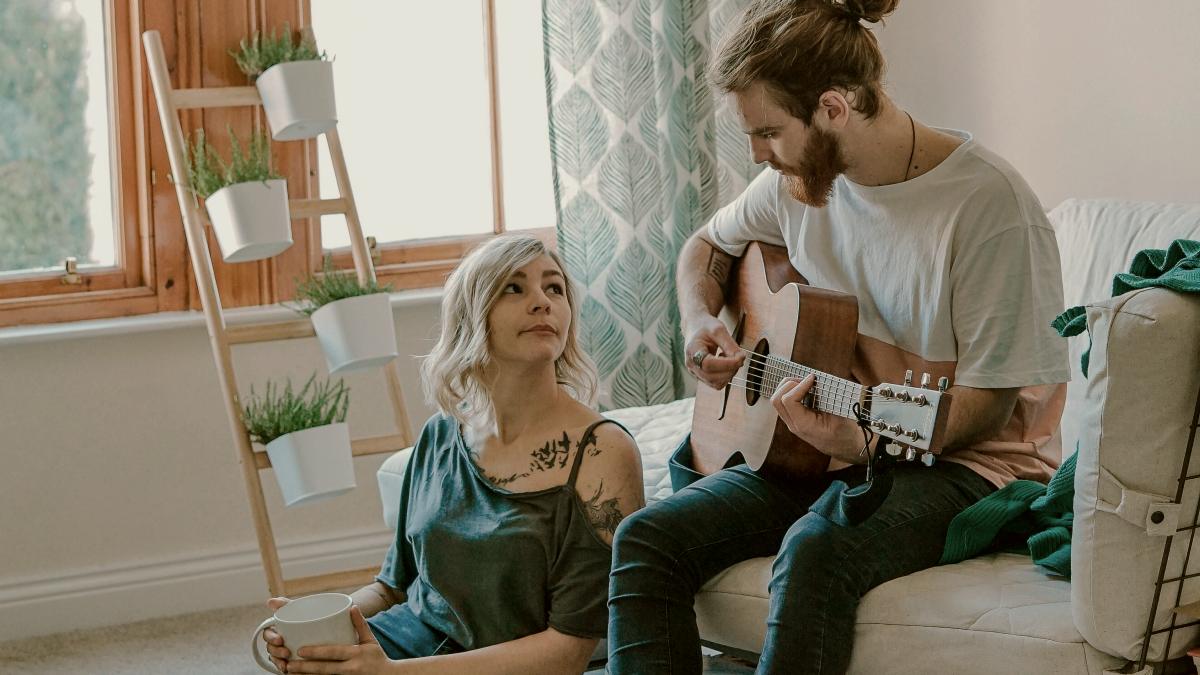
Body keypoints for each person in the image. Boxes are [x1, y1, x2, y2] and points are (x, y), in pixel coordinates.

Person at [605, 0, 1070, 673]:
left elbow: (984, 407)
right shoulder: (796, 184)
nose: (756, 153)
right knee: (647, 537)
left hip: (970, 465)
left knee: (816, 548)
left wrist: (862, 437)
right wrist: (701, 319)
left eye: (767, 132)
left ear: (832, 108)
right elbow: (705, 247)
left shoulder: (988, 208)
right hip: (827, 444)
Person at [263, 235, 645, 674]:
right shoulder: (440, 434)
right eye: (514, 288)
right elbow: (392, 589)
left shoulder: (602, 454)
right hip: (402, 644)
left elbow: (568, 652)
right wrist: (318, 629)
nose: (542, 302)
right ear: (472, 316)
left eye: (554, 288)